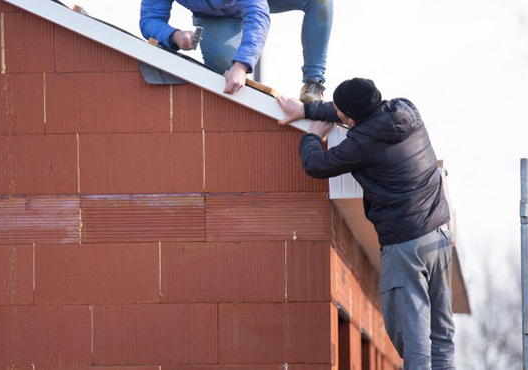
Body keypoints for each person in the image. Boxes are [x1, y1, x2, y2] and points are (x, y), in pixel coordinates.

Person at [277, 78, 455, 370]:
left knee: (413, 339)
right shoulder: (406, 109)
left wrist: (310, 135)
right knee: (443, 334)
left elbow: (316, 166)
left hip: (405, 244)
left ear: (351, 118)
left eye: (339, 111)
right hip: (438, 235)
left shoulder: (360, 144)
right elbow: (353, 115)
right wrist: (310, 110)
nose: (336, 113)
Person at [140, 0, 332, 102]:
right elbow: (150, 18)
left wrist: (242, 64)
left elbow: (257, 15)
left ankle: (313, 82)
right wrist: (174, 35)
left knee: (319, 1)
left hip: (251, 3)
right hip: (214, 17)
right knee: (227, 79)